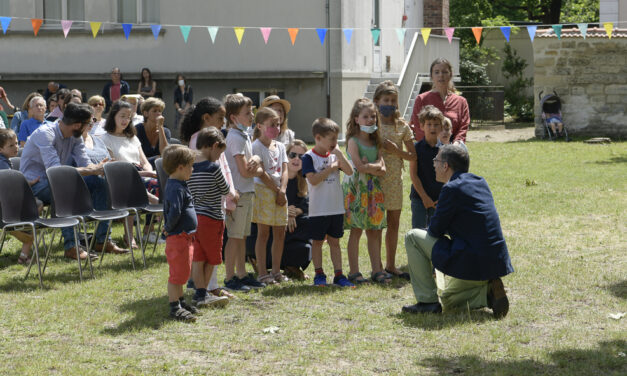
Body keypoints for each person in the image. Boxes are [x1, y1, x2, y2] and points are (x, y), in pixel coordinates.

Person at [403, 144, 513, 317]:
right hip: (494, 261)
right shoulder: (480, 181)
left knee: (412, 236)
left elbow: (434, 231)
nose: (433, 164)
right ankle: (489, 292)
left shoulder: (450, 189)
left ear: (445, 166)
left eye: (436, 160)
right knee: (447, 300)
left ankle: (427, 302)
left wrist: (441, 216)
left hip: (472, 259)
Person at [20, 103, 126, 260]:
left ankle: (102, 240)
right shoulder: (45, 134)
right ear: (77, 125)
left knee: (99, 182)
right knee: (65, 186)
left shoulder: (74, 137)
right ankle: (71, 246)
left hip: (59, 181)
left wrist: (98, 168)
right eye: (88, 124)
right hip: (34, 186)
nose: (90, 127)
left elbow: (85, 162)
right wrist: (91, 170)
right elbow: (56, 172)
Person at [180, 97, 237, 299]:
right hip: (209, 209)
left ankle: (205, 288)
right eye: (220, 117)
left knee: (203, 252)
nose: (223, 122)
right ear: (206, 118)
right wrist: (229, 195)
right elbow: (216, 172)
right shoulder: (201, 141)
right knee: (210, 252)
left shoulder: (208, 139)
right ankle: (207, 288)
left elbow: (225, 168)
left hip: (210, 206)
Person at [301, 118, 354, 287]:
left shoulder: (334, 155)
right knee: (317, 242)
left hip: (335, 208)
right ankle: (319, 273)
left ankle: (339, 274)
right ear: (318, 138)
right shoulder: (308, 157)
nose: (334, 142)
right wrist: (330, 168)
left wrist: (339, 154)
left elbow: (350, 171)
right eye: (331, 138)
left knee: (335, 242)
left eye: (336, 138)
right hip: (319, 209)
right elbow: (314, 180)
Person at [100, 100, 159, 246]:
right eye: (122, 116)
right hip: (119, 178)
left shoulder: (132, 137)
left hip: (140, 174)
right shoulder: (105, 138)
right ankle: (157, 205)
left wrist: (148, 171)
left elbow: (144, 161)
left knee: (158, 183)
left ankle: (155, 221)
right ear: (113, 116)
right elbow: (113, 166)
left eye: (129, 117)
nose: (126, 120)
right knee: (133, 186)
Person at [342, 98, 388, 284]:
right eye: (366, 116)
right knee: (356, 230)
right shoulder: (353, 141)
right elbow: (359, 168)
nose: (370, 120)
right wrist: (372, 166)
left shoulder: (376, 142)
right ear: (356, 119)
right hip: (356, 190)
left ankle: (377, 269)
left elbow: (383, 168)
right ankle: (354, 271)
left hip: (373, 191)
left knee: (375, 231)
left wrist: (369, 165)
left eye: (373, 117)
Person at [373, 80, 414, 280]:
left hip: (394, 181)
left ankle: (391, 264)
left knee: (393, 223)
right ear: (377, 101)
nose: (389, 104)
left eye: (393, 100)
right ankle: (377, 266)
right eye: (385, 100)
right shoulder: (371, 125)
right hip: (375, 180)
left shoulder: (402, 126)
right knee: (377, 224)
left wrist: (396, 151)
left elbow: (413, 156)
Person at [223, 94, 265, 291]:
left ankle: (241, 273)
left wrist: (256, 159)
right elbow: (244, 171)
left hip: (247, 191)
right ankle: (230, 276)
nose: (251, 116)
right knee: (234, 236)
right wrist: (260, 169)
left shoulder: (244, 135)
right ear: (233, 118)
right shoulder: (234, 138)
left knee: (242, 236)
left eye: (252, 112)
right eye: (247, 113)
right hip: (238, 192)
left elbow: (251, 164)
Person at [187, 127, 230, 308]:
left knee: (198, 257)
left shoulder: (189, 167)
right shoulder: (213, 167)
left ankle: (200, 292)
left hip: (194, 218)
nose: (219, 156)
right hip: (212, 218)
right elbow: (226, 190)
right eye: (219, 152)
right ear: (214, 146)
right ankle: (204, 293)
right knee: (212, 257)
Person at [161, 144, 199, 322]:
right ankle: (174, 307)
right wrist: (168, 228)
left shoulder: (180, 184)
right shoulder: (175, 187)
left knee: (183, 271)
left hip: (185, 237)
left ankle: (181, 300)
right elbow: (175, 211)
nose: (193, 169)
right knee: (177, 275)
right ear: (180, 167)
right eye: (190, 166)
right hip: (178, 237)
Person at [251, 107, 289, 285]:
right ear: (259, 126)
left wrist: (282, 189)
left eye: (278, 124)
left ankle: (276, 270)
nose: (276, 128)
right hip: (264, 192)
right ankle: (262, 272)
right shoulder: (255, 146)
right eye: (271, 124)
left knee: (280, 232)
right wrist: (276, 190)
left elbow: (285, 169)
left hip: (280, 192)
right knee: (263, 233)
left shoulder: (280, 146)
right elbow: (261, 173)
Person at [410, 58, 470, 143]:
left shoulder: (461, 102)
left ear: (450, 75)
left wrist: (456, 144)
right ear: (431, 76)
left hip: (452, 148)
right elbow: (417, 126)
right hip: (428, 148)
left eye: (445, 72)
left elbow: (463, 128)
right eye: (437, 72)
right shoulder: (421, 99)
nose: (441, 75)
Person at [0, 129, 35, 264]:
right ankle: (17, 229)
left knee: (35, 208)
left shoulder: (6, 160)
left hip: (9, 204)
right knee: (34, 211)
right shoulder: (2, 163)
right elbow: (8, 185)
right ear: (0, 149)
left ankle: (23, 254)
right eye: (11, 145)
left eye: (16, 144)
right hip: (5, 209)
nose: (16, 147)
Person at [409, 105, 444, 230]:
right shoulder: (416, 148)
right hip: (419, 199)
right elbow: (413, 175)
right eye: (429, 124)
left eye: (436, 124)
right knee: (418, 234)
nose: (432, 128)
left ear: (441, 127)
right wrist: (425, 198)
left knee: (436, 234)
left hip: (439, 200)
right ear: (422, 126)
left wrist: (443, 198)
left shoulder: (446, 150)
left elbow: (449, 177)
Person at [136, 97, 170, 165]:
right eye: (154, 111)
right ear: (146, 113)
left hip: (160, 166)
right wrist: (155, 159)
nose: (158, 113)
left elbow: (165, 153)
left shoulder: (165, 131)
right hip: (141, 164)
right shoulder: (137, 129)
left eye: (160, 111)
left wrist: (160, 127)